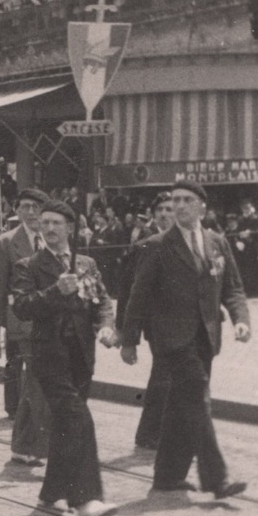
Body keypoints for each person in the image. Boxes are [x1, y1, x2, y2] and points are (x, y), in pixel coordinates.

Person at [119, 181, 252, 498]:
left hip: (206, 337)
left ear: (202, 207)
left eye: (187, 200)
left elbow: (232, 287)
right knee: (197, 400)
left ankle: (166, 476)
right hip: (171, 340)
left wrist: (241, 320)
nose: (179, 206)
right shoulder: (157, 245)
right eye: (176, 200)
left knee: (181, 407)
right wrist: (130, 339)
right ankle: (216, 479)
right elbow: (138, 295)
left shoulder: (217, 243)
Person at [11, 200, 120, 516]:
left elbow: (100, 301)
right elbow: (22, 306)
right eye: (44, 223)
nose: (49, 229)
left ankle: (51, 492)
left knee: (64, 426)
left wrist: (106, 327)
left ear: (70, 228)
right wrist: (56, 291)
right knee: (78, 419)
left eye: (56, 223)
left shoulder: (86, 263)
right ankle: (85, 498)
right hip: (50, 356)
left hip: (82, 356)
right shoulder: (29, 266)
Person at [0, 187, 53, 464]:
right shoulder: (5, 243)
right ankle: (30, 445)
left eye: (36, 207)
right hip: (23, 323)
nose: (30, 212)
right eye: (25, 207)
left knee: (36, 383)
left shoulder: (53, 238)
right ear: (17, 211)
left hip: (51, 321)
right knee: (35, 381)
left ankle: (25, 444)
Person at [115, 194, 175, 453]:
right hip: (157, 324)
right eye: (159, 209)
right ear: (153, 213)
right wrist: (127, 334)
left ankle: (155, 431)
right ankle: (148, 434)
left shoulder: (183, 239)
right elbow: (128, 289)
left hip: (181, 323)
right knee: (163, 375)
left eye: (169, 209)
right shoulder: (145, 244)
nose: (164, 214)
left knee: (167, 376)